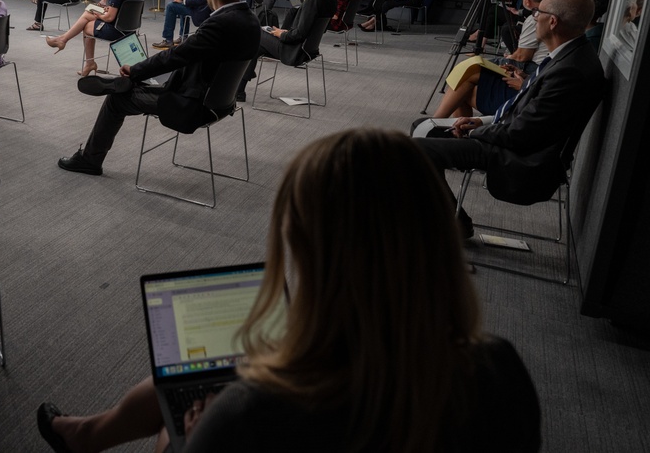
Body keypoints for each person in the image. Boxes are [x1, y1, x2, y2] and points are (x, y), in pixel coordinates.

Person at [37, 129, 541, 453]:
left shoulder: (252, 416)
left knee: (189, 390)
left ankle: (93, 435)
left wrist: (187, 435)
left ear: (303, 246)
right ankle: (86, 435)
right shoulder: (500, 370)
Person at [417, 0, 606, 237]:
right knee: (422, 129)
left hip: (521, 159)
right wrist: (479, 120)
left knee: (419, 148)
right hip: (516, 142)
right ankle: (453, 220)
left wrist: (478, 132)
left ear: (552, 22)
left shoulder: (568, 71)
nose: (533, 16)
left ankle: (451, 225)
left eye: (538, 12)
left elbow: (520, 134)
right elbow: (525, 115)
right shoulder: (570, 56)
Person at [56, 0, 260, 176]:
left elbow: (176, 55)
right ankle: (130, 82)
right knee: (153, 75)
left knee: (117, 101)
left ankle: (90, 160)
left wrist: (136, 70)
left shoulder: (218, 24)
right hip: (222, 102)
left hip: (194, 106)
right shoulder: (252, 21)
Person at [432, 0, 552, 120]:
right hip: (531, 74)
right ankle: (442, 124)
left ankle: (436, 122)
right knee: (463, 79)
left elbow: (522, 57)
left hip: (530, 72)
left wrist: (522, 76)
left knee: (464, 76)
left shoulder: (536, 19)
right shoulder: (548, 20)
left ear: (527, 1)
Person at [236, 0, 339, 101]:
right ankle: (239, 90)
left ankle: (238, 85)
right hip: (309, 49)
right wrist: (284, 31)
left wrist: (281, 34)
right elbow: (309, 29)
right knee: (256, 46)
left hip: (294, 51)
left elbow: (299, 34)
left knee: (254, 33)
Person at [45, 0, 145, 76]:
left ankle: (84, 58)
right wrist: (108, 10)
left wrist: (99, 16)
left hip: (116, 30)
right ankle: (64, 40)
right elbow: (127, 8)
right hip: (130, 28)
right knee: (88, 13)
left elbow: (109, 18)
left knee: (86, 26)